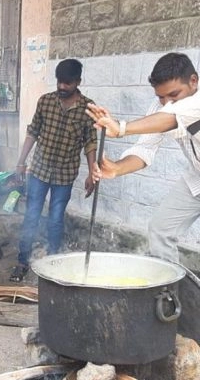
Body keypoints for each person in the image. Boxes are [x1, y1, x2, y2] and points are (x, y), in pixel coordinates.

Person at [86, 53, 200, 263]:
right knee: (160, 229)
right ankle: (167, 293)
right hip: (197, 178)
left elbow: (173, 118)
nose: (166, 103)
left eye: (173, 94)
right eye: (160, 97)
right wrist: (116, 168)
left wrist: (120, 128)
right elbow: (144, 150)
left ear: (194, 81)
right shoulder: (162, 108)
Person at [10, 59, 98, 282]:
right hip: (39, 170)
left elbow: (90, 142)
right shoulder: (46, 101)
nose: (61, 87)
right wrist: (21, 162)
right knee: (31, 215)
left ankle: (52, 264)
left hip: (65, 174)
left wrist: (92, 172)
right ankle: (22, 261)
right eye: (59, 82)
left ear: (78, 82)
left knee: (56, 219)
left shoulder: (88, 109)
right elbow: (33, 131)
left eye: (67, 83)